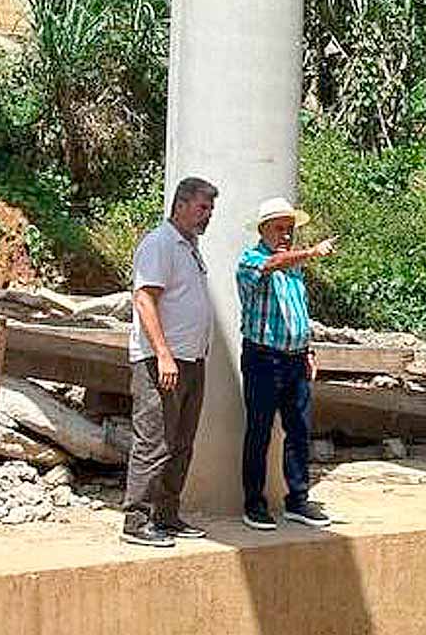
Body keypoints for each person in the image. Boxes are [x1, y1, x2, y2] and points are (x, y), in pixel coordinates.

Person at [122, 177, 217, 547]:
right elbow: (144, 299)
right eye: (201, 208)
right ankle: (136, 519)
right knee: (154, 440)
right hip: (161, 361)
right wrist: (163, 354)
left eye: (210, 210)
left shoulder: (189, 247)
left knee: (182, 441)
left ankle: (166, 514)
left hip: (191, 360)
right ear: (180, 205)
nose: (206, 216)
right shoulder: (160, 243)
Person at [235, 197, 337, 530]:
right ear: (263, 230)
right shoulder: (251, 260)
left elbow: (299, 313)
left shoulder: (291, 267)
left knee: (299, 430)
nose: (285, 235)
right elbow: (267, 267)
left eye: (289, 229)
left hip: (294, 359)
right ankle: (254, 503)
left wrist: (307, 349)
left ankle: (297, 499)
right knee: (259, 431)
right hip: (263, 358)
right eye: (279, 228)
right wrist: (310, 253)